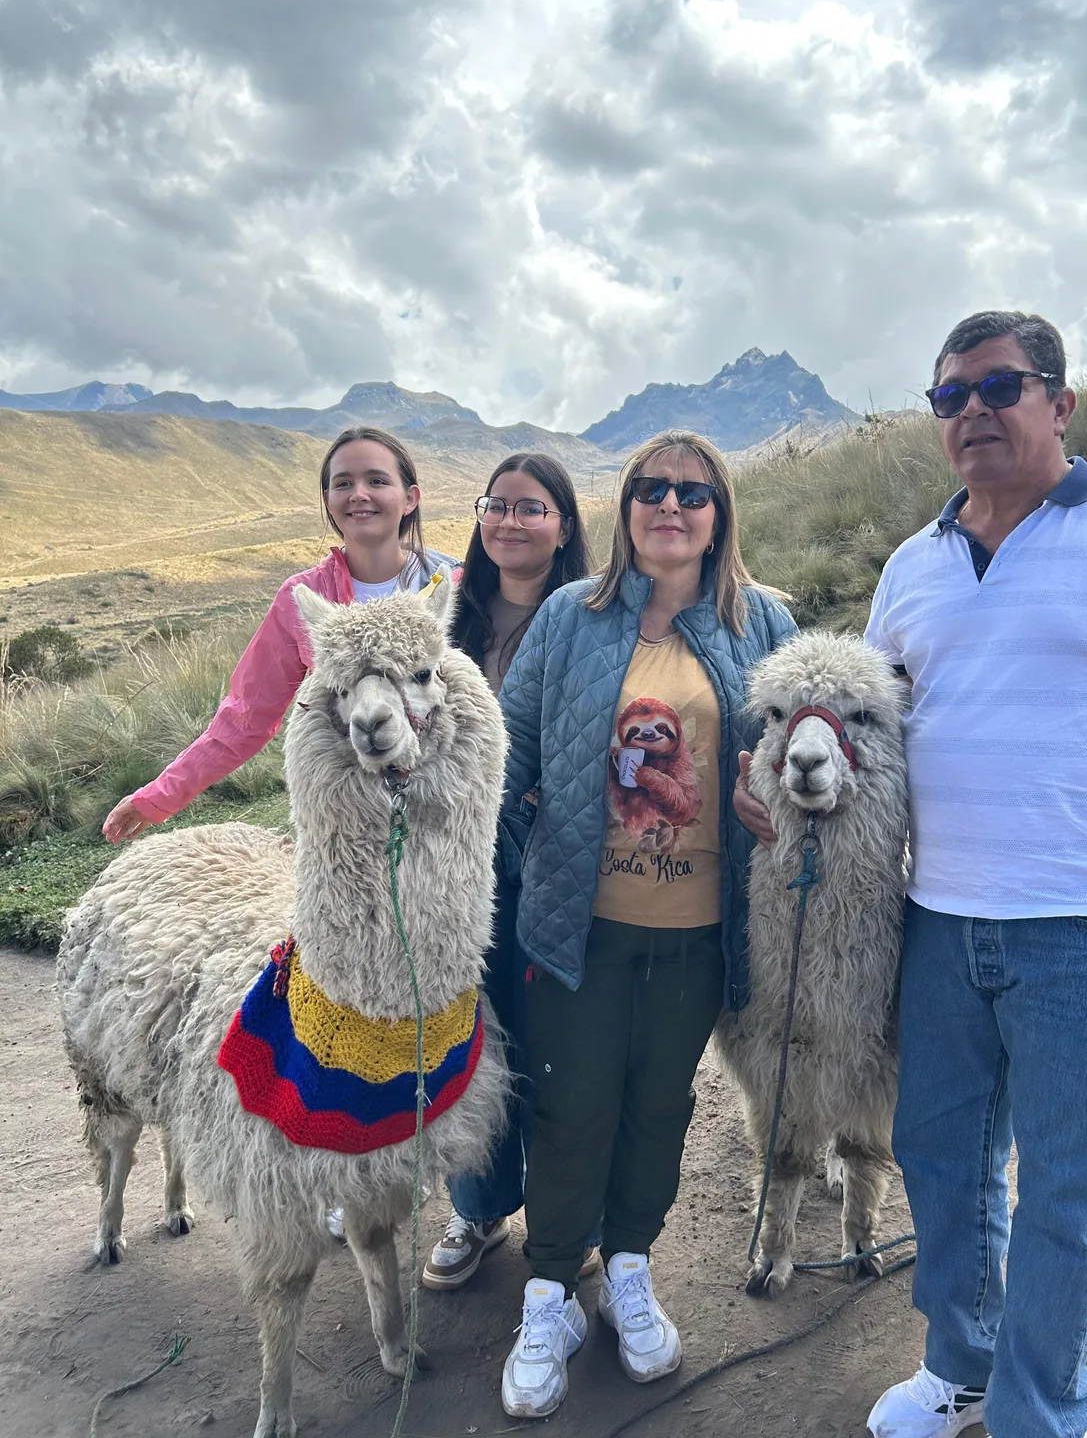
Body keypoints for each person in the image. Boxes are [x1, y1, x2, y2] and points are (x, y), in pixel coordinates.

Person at [735, 311, 1087, 1438]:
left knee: (1069, 1189)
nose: (975, 412)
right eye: (952, 396)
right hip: (938, 917)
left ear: (1059, 402)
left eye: (1002, 386)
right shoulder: (915, 564)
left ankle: (1045, 1409)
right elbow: (868, 724)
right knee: (941, 1157)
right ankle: (962, 1363)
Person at [496, 430, 797, 1420]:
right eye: (651, 489)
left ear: (721, 514)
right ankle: (549, 1293)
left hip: (701, 929)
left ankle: (628, 1264)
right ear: (624, 509)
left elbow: (804, 766)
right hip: (579, 926)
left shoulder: (767, 624)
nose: (672, 505)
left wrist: (775, 818)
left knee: (658, 1104)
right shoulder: (566, 621)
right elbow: (512, 756)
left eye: (694, 492)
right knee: (571, 1104)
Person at [102, 425, 460, 844]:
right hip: (347, 809)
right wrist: (158, 798)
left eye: (377, 480)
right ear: (328, 499)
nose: (359, 493)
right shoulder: (305, 600)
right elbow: (246, 716)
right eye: (343, 483)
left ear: (410, 498)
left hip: (442, 802)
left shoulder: (449, 586)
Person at [420, 451, 598, 1290]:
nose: (511, 521)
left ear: (564, 526)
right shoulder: (446, 620)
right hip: (454, 865)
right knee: (466, 1031)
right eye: (498, 505)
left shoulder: (591, 621)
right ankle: (478, 1203)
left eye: (533, 508)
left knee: (557, 1041)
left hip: (556, 858)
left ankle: (569, 1219)